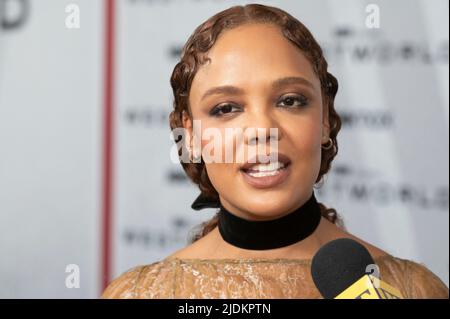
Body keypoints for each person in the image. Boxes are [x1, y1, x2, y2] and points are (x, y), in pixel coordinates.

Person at [102, 4, 448, 299]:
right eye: (226, 108)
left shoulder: (410, 289)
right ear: (189, 134)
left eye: (290, 101)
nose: (262, 130)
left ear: (325, 117)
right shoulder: (144, 292)